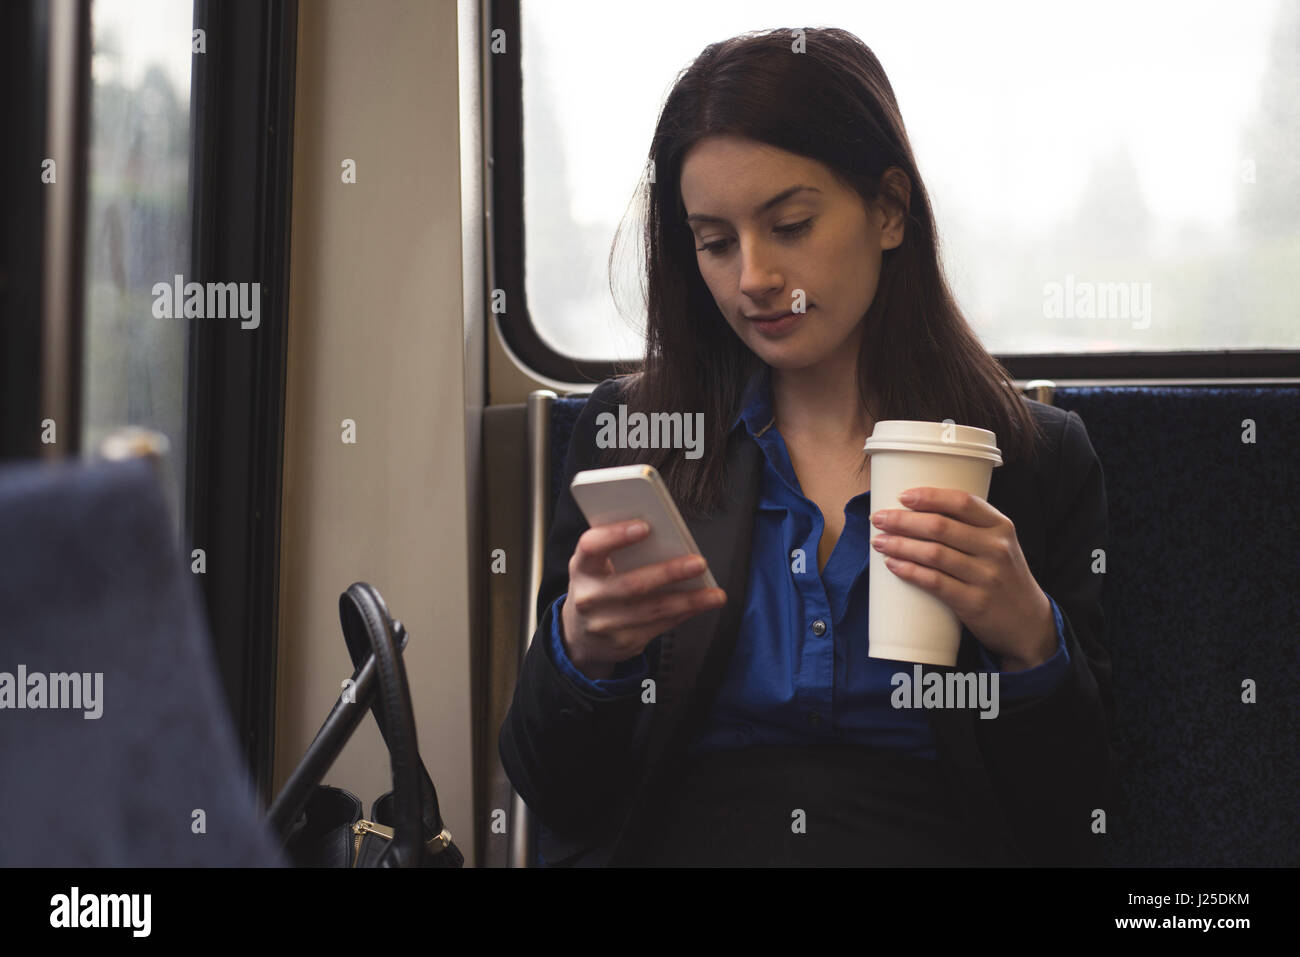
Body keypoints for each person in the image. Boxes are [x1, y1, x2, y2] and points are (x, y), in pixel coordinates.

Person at [499, 26, 1115, 867]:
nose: (752, 278)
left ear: (889, 211)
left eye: (789, 225)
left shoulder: (1033, 457)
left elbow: (1076, 809)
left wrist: (1029, 640)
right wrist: (583, 650)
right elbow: (556, 792)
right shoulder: (638, 436)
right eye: (716, 242)